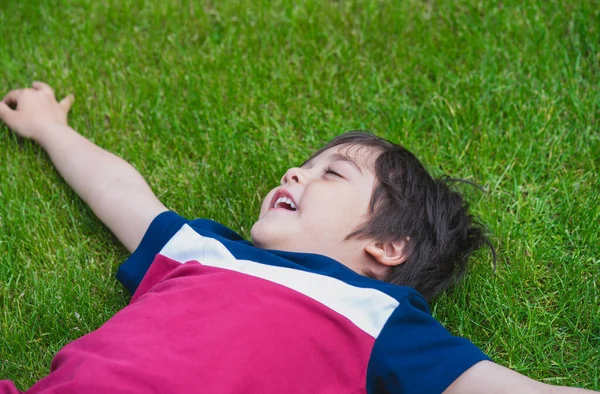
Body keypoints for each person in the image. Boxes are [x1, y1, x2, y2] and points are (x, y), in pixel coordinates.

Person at [0, 82, 595, 394]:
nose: (294, 174)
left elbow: (501, 388)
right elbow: (120, 193)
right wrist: (51, 128)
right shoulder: (208, 251)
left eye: (330, 173)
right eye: (303, 166)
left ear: (387, 247)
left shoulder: (377, 318)